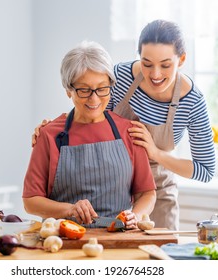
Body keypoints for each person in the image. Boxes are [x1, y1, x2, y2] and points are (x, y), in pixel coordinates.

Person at [32, 20, 216, 230]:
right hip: (113, 185)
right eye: (147, 63)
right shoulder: (119, 77)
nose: (155, 74)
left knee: (160, 255)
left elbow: (205, 170)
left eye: (165, 65)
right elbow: (91, 110)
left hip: (156, 190)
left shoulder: (192, 101)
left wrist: (155, 153)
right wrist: (52, 129)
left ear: (181, 59)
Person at [23, 41, 156, 229]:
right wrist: (69, 210)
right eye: (84, 90)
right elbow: (30, 201)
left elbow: (147, 193)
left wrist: (135, 215)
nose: (94, 99)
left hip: (118, 238)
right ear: (69, 90)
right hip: (64, 241)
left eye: (102, 88)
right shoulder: (49, 135)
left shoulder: (129, 131)